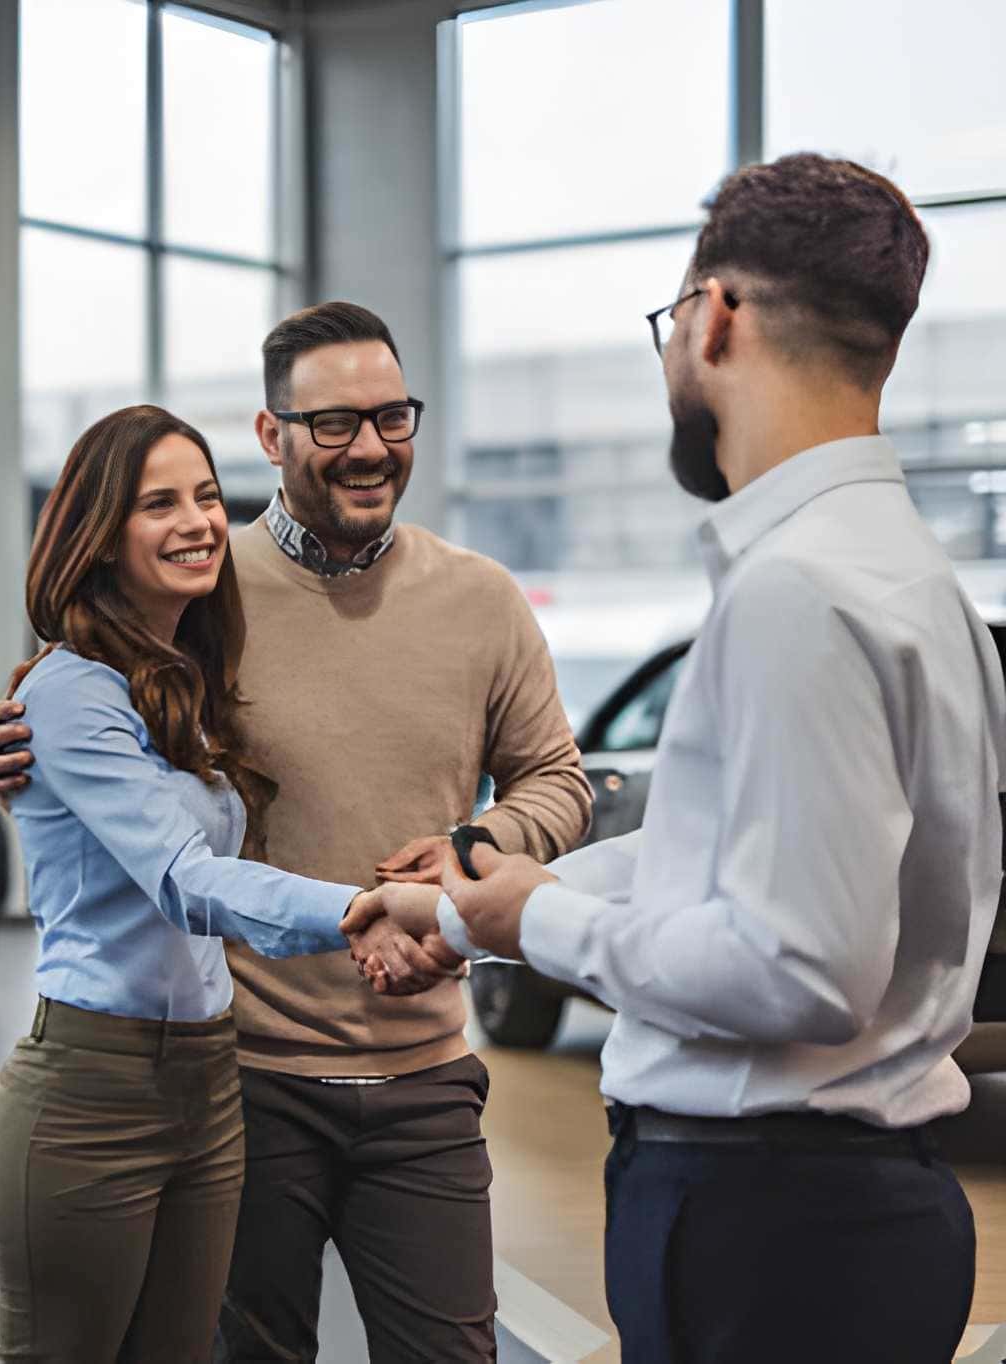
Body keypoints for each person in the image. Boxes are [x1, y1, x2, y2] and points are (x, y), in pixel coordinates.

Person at [405, 153, 1006, 1362]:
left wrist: (536, 926)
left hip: (767, 1232)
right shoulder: (910, 579)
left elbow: (800, 966)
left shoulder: (795, 592)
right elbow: (724, 858)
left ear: (712, 315)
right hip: (842, 1217)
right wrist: (465, 905)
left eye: (669, 321)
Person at [0, 303, 593, 1362]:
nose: (368, 445)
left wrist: (468, 849)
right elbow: (110, 739)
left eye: (391, 415)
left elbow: (555, 778)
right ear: (273, 434)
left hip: (422, 1068)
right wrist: (9, 748)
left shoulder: (481, 598)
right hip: (246, 1078)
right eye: (335, 421)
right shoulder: (207, 597)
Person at [0, 404, 431, 1364]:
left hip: (209, 1088)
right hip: (89, 1091)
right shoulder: (70, 690)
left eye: (208, 496)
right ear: (98, 534)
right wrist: (351, 910)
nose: (197, 522)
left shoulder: (186, 674)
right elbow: (185, 880)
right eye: (158, 504)